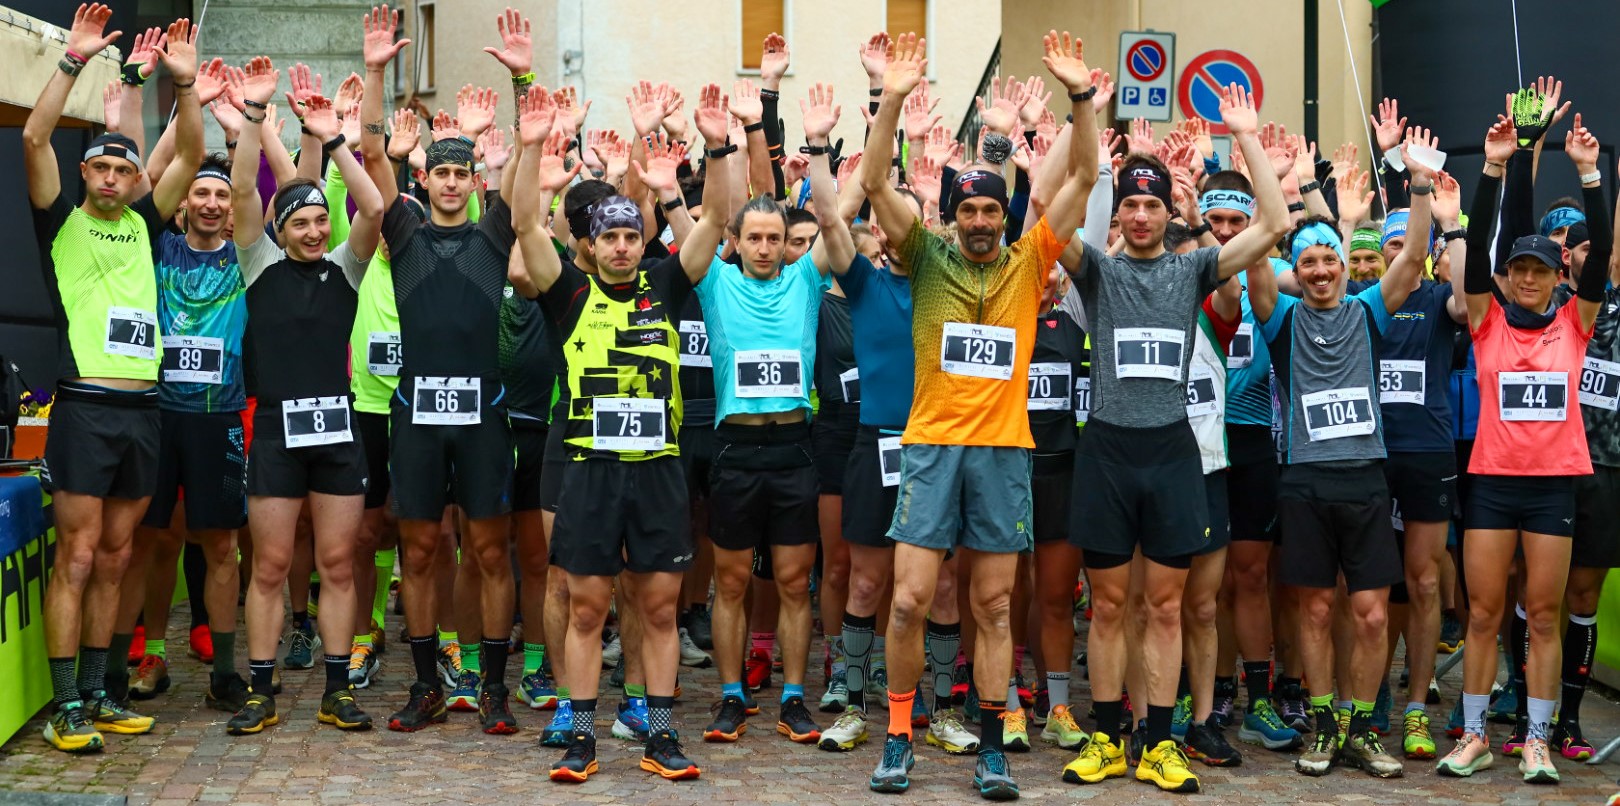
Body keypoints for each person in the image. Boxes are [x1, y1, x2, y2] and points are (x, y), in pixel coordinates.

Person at [860, 31, 1095, 800]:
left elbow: (1085, 176)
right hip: (932, 446)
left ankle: (993, 747)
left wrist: (1082, 99)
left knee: (993, 605)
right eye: (970, 209)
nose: (983, 219)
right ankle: (900, 737)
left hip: (1001, 451)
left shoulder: (1031, 262)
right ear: (952, 216)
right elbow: (873, 181)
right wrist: (893, 99)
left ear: (1004, 214)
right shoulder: (926, 257)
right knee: (907, 601)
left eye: (993, 208)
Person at [1059, 82, 1284, 795]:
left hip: (1171, 453)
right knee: (1108, 606)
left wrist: (1245, 137)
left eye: (1153, 204)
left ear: (1170, 213)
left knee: (1164, 607)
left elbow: (1275, 223)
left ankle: (1159, 744)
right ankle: (1106, 738)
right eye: (1130, 204)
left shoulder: (1193, 269)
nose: (1140, 214)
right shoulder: (1098, 271)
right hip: (1107, 451)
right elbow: (1046, 222)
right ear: (1120, 213)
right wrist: (1083, 121)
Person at [508, 83, 722, 783]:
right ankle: (581, 736)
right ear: (591, 246)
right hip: (590, 469)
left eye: (632, 235)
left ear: (643, 240)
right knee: (586, 607)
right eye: (610, 237)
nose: (624, 247)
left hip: (657, 469)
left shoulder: (668, 283)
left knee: (657, 607)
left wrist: (715, 149)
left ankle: (660, 734)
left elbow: (718, 221)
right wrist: (532, 150)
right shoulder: (569, 293)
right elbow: (524, 225)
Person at [26, 7, 206, 753]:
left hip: (144, 412)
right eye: (98, 167)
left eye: (120, 169)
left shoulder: (144, 223)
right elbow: (34, 138)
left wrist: (184, 86)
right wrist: (71, 62)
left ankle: (99, 694)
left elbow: (191, 154)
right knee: (75, 555)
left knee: (116, 557)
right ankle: (65, 704)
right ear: (85, 173)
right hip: (85, 409)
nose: (108, 178)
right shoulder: (61, 221)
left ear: (135, 178)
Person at [359, 6, 523, 734]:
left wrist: (522, 83)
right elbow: (372, 158)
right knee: (420, 550)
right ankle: (426, 684)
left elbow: (526, 175)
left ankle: (493, 687)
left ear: (474, 179)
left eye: (462, 172)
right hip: (417, 419)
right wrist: (374, 72)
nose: (451, 183)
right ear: (423, 180)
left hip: (483, 419)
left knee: (489, 550)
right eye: (440, 173)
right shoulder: (404, 232)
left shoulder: (492, 236)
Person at [1439, 111, 1612, 785]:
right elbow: (1483, 233)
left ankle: (1537, 740)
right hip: (1492, 483)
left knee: (1542, 615)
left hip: (1553, 487)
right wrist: (1493, 166)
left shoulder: (1576, 321)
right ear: (1507, 276)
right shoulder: (1487, 321)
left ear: (1556, 274)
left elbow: (1601, 254)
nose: (1531, 280)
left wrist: (1591, 174)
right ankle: (1474, 735)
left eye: (1541, 269)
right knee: (1483, 614)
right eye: (1520, 270)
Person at [223, 57, 383, 735]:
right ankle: (261, 688)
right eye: (301, 224)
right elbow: (240, 194)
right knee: (271, 564)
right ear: (280, 230)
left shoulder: (347, 269)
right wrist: (255, 117)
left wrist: (335, 139)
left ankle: (336, 689)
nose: (315, 231)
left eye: (321, 221)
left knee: (338, 562)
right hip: (276, 435)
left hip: (337, 434)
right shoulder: (257, 264)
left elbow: (375, 208)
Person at [696, 83, 856, 750]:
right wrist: (718, 147)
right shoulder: (715, 281)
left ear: (788, 243)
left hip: (795, 449)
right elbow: (709, 213)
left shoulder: (805, 278)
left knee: (794, 582)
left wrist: (818, 146)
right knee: (731, 582)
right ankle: (732, 695)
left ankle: (793, 697)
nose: (765, 248)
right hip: (735, 452)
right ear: (735, 242)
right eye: (754, 238)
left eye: (775, 239)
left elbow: (841, 210)